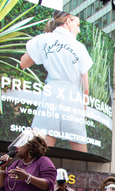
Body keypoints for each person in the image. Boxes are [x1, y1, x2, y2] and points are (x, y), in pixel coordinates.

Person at [20, 11, 93, 152]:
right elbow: (86, 88)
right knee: (80, 152)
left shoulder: (43, 39)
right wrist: (82, 109)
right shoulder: (80, 48)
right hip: (73, 99)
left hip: (51, 94)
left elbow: (23, 63)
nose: (78, 29)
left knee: (42, 149)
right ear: (68, 21)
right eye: (77, 25)